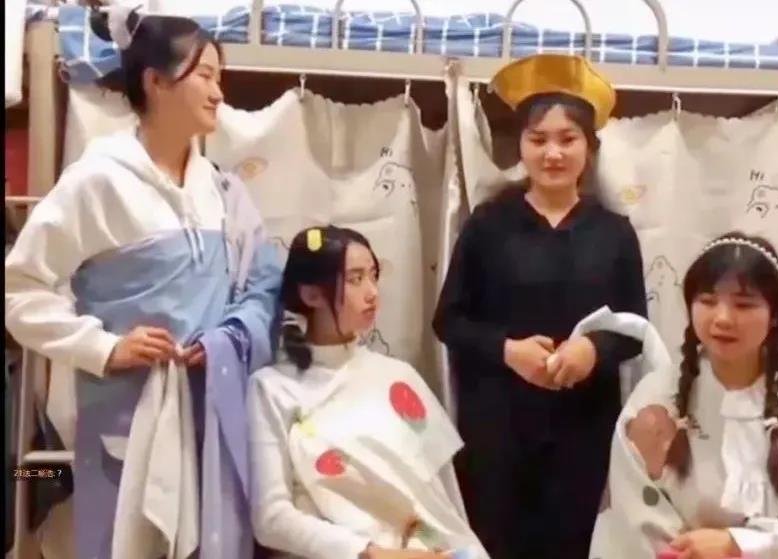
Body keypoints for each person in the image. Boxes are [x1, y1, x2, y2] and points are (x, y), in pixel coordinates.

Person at [4, 6, 281, 558]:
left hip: (210, 413)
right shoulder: (98, 180)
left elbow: (262, 283)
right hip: (126, 424)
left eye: (219, 78)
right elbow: (20, 289)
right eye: (205, 75)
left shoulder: (220, 190)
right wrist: (105, 347)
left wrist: (226, 338)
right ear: (155, 81)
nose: (218, 93)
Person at [432, 53, 648, 559]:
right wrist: (508, 350)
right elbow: (449, 321)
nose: (553, 153)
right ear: (520, 146)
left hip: (583, 430)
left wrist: (592, 350)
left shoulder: (614, 233)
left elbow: (636, 326)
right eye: (538, 139)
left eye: (568, 139)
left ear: (589, 148)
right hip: (497, 430)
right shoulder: (487, 225)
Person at [590, 232, 778, 559]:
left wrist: (741, 545)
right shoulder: (654, 401)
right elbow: (633, 520)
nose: (723, 318)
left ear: (775, 315)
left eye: (744, 304)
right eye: (707, 301)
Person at [248, 226, 487, 559]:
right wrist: (368, 552)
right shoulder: (272, 389)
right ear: (311, 294)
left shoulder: (399, 378)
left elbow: (443, 500)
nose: (372, 292)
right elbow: (271, 518)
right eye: (355, 279)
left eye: (374, 276)